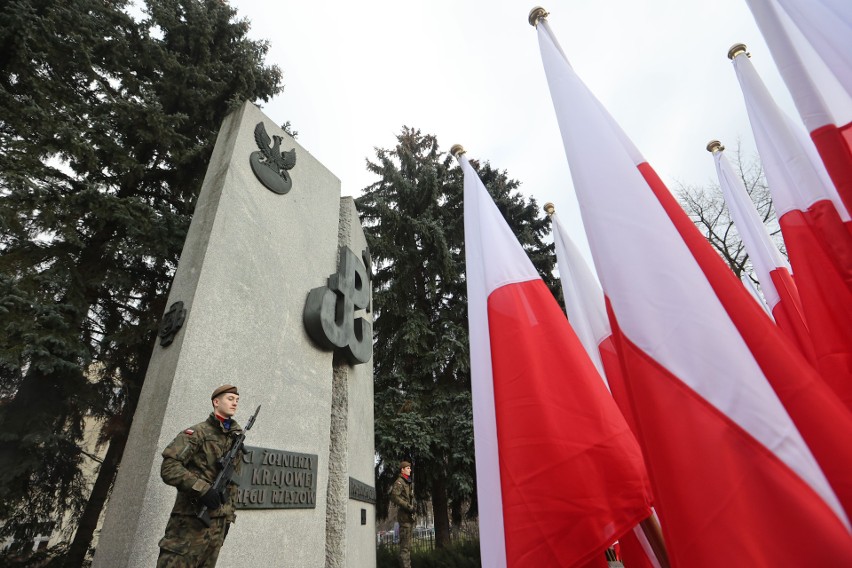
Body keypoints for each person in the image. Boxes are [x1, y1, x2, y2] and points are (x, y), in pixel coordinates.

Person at [157, 384, 243, 567]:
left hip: (216, 528)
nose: (235, 403)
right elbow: (169, 467)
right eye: (230, 399)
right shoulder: (197, 433)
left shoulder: (235, 440)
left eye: (237, 400)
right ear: (216, 402)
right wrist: (202, 489)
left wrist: (228, 518)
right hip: (189, 523)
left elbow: (232, 485)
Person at [390, 460, 415, 568]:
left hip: (409, 517)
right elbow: (394, 497)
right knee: (404, 548)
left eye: (410, 468)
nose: (410, 470)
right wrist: (407, 506)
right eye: (408, 468)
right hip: (404, 518)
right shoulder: (399, 482)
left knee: (408, 547)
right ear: (402, 469)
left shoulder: (408, 482)